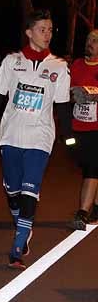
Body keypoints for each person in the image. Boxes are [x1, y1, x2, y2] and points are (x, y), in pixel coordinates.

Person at [0, 9, 73, 269]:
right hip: (11, 134)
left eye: (51, 30)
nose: (47, 34)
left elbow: (63, 105)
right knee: (13, 190)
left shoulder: (59, 66)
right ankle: (22, 223)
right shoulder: (11, 62)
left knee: (31, 188)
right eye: (42, 29)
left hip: (40, 136)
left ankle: (18, 246)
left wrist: (69, 138)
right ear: (29, 32)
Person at [68, 29, 98, 229]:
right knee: (89, 166)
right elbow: (67, 93)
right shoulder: (77, 65)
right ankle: (95, 207)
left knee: (92, 168)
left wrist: (93, 95)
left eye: (95, 40)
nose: (90, 42)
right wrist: (74, 95)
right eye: (88, 39)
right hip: (79, 126)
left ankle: (82, 213)